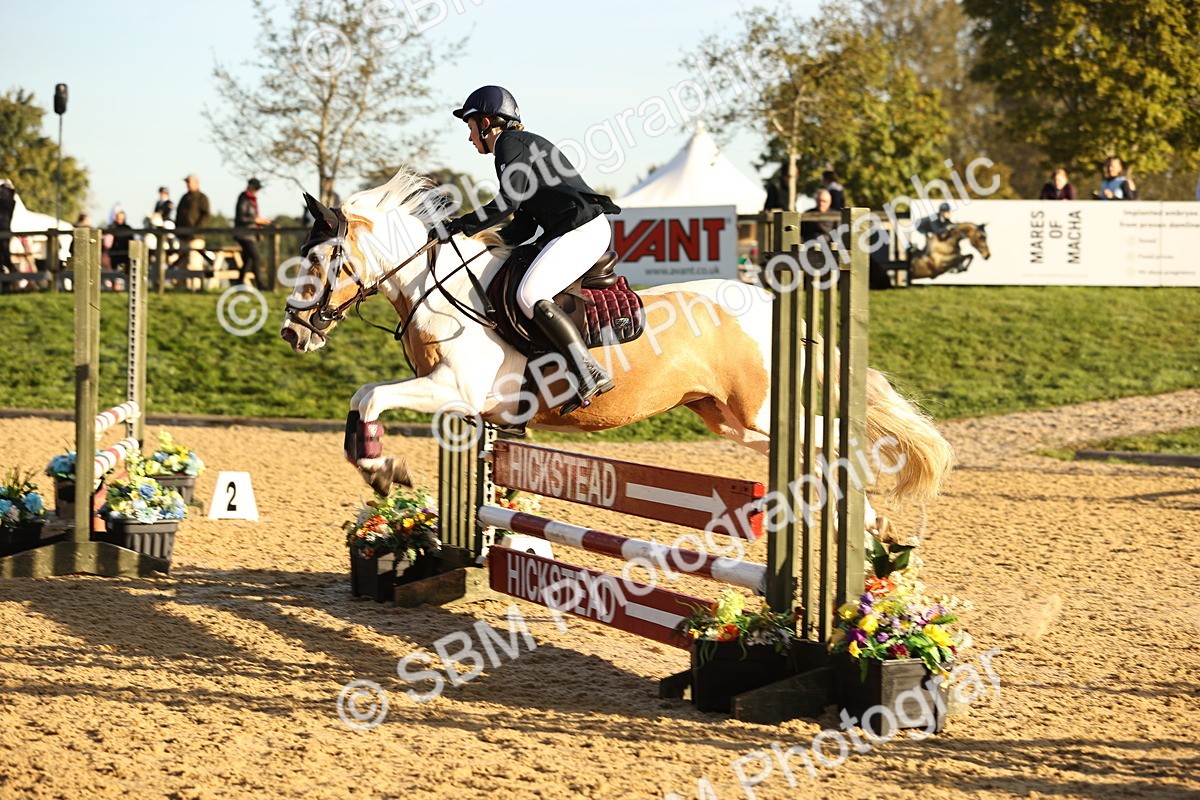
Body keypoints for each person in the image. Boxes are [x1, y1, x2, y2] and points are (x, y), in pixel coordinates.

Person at [441, 85, 622, 418]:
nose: (469, 138)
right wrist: (478, 241)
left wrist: (460, 225)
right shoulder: (518, 148)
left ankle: (589, 370)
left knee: (530, 294)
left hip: (583, 230)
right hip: (574, 230)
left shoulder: (508, 144)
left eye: (469, 128)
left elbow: (505, 205)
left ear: (485, 122)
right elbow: (521, 224)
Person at [234, 177, 271, 284]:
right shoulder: (244, 198)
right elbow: (241, 218)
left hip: (250, 234)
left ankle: (239, 283)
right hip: (243, 234)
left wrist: (258, 230)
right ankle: (260, 284)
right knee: (255, 257)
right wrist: (256, 220)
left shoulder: (251, 200)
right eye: (256, 188)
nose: (257, 190)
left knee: (248, 260)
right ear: (250, 187)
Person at [175, 174, 211, 280]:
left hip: (196, 237)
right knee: (181, 264)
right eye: (186, 182)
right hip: (183, 237)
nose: (187, 184)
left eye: (189, 182)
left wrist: (196, 229)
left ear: (196, 182)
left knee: (194, 263)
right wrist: (178, 230)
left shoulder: (202, 198)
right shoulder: (184, 198)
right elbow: (178, 215)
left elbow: (206, 215)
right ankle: (181, 288)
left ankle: (194, 288)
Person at [0, 180, 15, 274]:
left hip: (3, 230)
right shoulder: (9, 201)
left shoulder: (8, 201)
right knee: (3, 256)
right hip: (4, 230)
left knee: (5, 256)